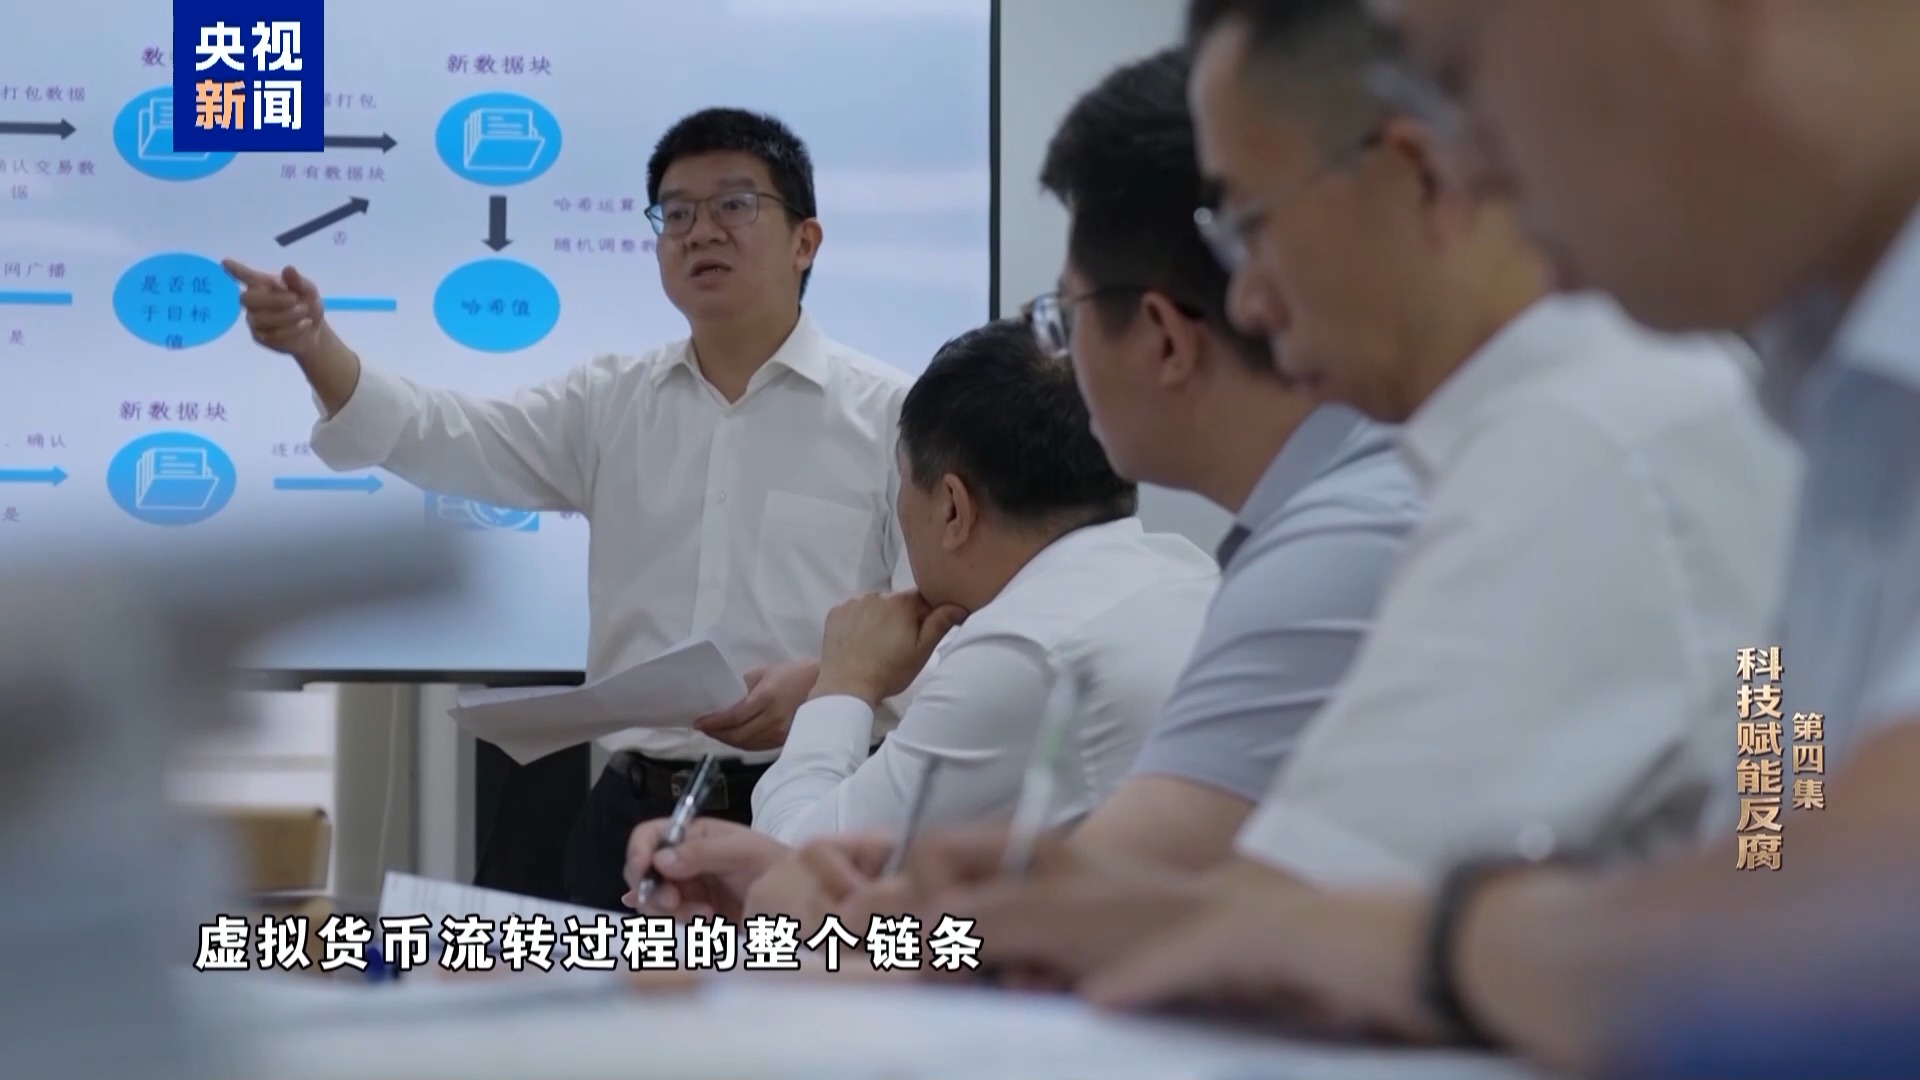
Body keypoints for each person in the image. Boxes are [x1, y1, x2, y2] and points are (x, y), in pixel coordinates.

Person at [1030, 0, 1920, 1075]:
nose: (1484, 162)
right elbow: (1787, 838)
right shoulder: (1828, 413)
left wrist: (1446, 941)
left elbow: (1856, 920)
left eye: (1463, 78)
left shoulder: (1591, 434)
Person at [650, 45, 1427, 928]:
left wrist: (843, 689)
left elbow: (816, 891)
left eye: (1065, 317)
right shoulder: (1218, 558)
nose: (1063, 363)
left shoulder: (1048, 640)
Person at [226, 107, 915, 911]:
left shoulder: (893, 415)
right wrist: (314, 347)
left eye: (734, 205)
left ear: (806, 241)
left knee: (810, 1000)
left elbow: (938, 621)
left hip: (818, 815)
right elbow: (446, 435)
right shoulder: (611, 402)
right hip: (631, 817)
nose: (701, 231)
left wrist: (832, 686)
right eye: (676, 212)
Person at [619, 317, 1219, 910]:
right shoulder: (1186, 574)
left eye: (903, 483)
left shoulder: (1022, 651)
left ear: (954, 508)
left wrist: (844, 684)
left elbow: (802, 872)